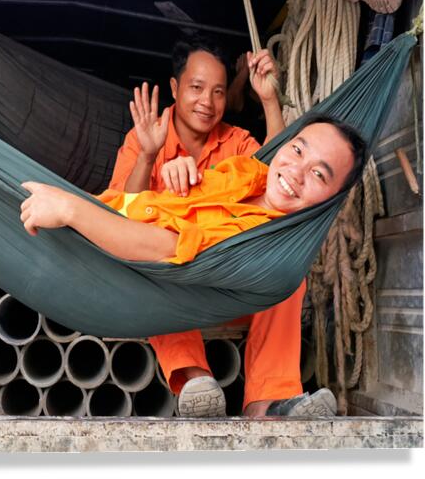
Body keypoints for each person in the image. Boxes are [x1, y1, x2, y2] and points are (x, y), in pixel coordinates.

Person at [19, 114, 367, 418]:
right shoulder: (246, 171)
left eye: (319, 174)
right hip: (103, 234)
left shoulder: (265, 245)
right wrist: (181, 173)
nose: (297, 171)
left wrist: (71, 210)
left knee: (281, 276)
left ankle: (261, 399)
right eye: (297, 150)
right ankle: (201, 378)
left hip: (142, 256)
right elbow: (177, 210)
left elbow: (163, 249)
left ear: (332, 201)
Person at [110, 36, 282, 198]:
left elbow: (275, 176)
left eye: (218, 92)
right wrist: (147, 158)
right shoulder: (142, 139)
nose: (207, 101)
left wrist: (269, 99)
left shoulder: (237, 142)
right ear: (174, 88)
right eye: (196, 87)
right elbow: (121, 212)